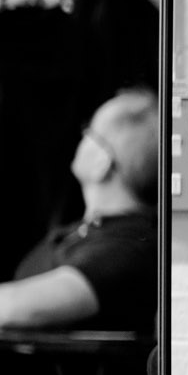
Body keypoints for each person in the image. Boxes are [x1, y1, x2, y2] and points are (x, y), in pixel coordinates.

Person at [0, 87, 157, 331]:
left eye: (89, 131)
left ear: (103, 161)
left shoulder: (129, 248)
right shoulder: (91, 232)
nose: (82, 138)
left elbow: (16, 308)